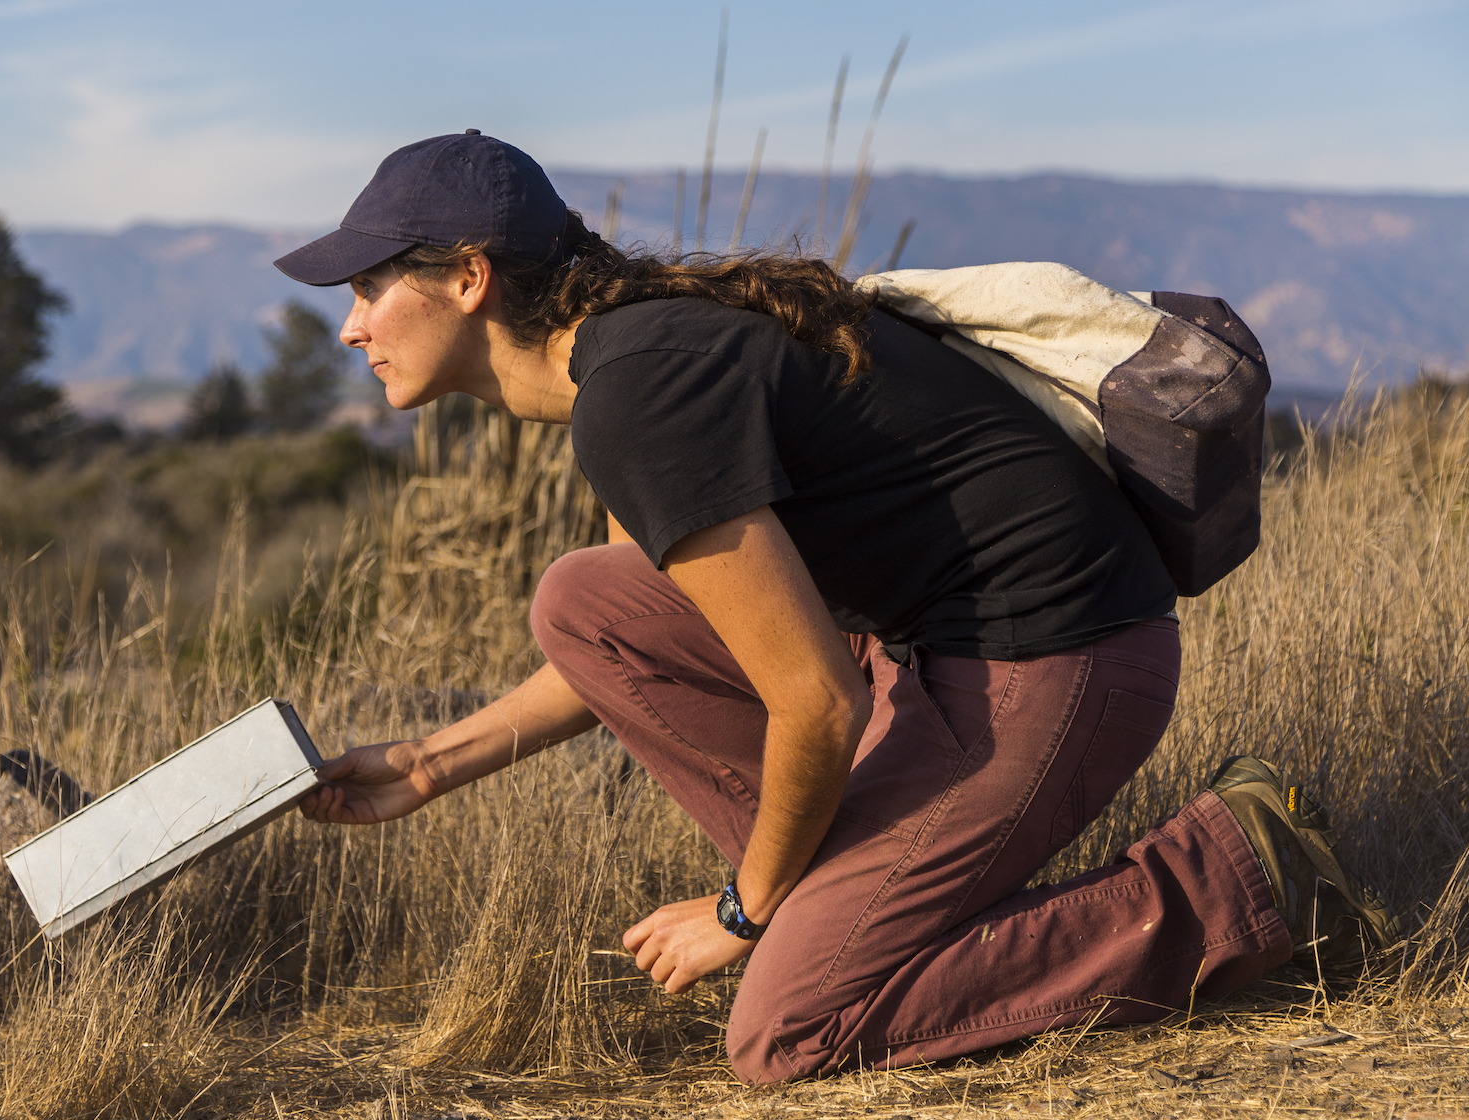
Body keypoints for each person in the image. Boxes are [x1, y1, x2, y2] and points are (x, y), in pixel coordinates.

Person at [277, 131, 1399, 1083]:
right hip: (952, 654)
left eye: (371, 288)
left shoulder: (638, 394)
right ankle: (857, 912)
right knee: (585, 598)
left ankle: (1240, 878)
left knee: (785, 1029)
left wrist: (742, 910)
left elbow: (813, 702)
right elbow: (637, 633)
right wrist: (428, 763)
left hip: (1060, 662)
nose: (352, 326)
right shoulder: (630, 360)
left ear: (469, 278)